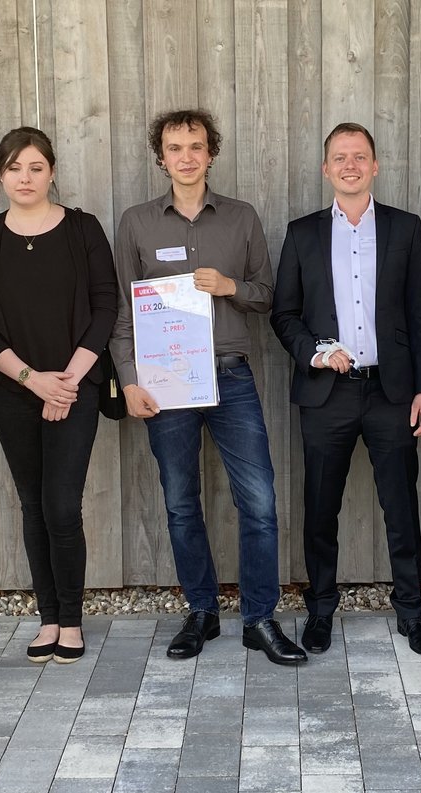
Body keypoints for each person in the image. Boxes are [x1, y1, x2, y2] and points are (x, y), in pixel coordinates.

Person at [109, 108, 306, 666]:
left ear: (211, 153)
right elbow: (124, 311)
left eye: (197, 146)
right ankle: (201, 612)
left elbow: (268, 294)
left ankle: (260, 619)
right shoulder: (136, 223)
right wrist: (128, 381)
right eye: (176, 148)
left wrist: (230, 286)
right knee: (179, 502)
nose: (187, 157)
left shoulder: (241, 218)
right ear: (161, 157)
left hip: (230, 374)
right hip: (165, 381)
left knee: (260, 500)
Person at [271, 122, 421, 656]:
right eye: (339, 157)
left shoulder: (404, 228)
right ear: (326, 169)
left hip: (392, 393)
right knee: (321, 508)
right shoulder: (302, 233)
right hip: (327, 395)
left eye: (359, 156)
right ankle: (320, 611)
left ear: (375, 166)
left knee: (401, 506)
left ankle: (411, 614)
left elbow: (420, 317)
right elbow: (285, 315)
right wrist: (316, 352)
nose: (350, 165)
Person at [0, 127, 118, 664]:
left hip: (77, 388)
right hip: (13, 392)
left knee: (61, 505)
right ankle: (46, 616)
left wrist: (66, 382)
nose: (24, 178)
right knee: (32, 504)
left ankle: (71, 620)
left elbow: (105, 309)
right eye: (13, 168)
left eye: (34, 167)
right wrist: (33, 380)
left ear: (52, 172)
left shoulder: (83, 229)